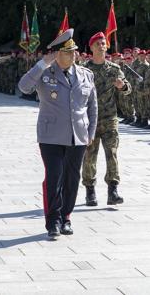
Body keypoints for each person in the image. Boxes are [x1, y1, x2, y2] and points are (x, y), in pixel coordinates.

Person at [18, 28, 97, 237]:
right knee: (54, 176)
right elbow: (23, 87)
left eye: (74, 52)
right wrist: (43, 63)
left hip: (77, 135)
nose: (73, 55)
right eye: (67, 52)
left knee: (72, 178)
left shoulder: (85, 74)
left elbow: (92, 106)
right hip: (51, 136)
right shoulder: (44, 72)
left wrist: (91, 132)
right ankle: (53, 220)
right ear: (57, 54)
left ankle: (66, 217)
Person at [82, 32, 131, 207]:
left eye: (103, 43)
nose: (102, 46)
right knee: (89, 156)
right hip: (90, 120)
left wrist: (122, 86)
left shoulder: (114, 69)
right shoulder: (84, 69)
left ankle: (113, 190)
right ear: (91, 47)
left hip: (110, 118)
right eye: (98, 44)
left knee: (112, 154)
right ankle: (90, 191)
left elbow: (127, 89)